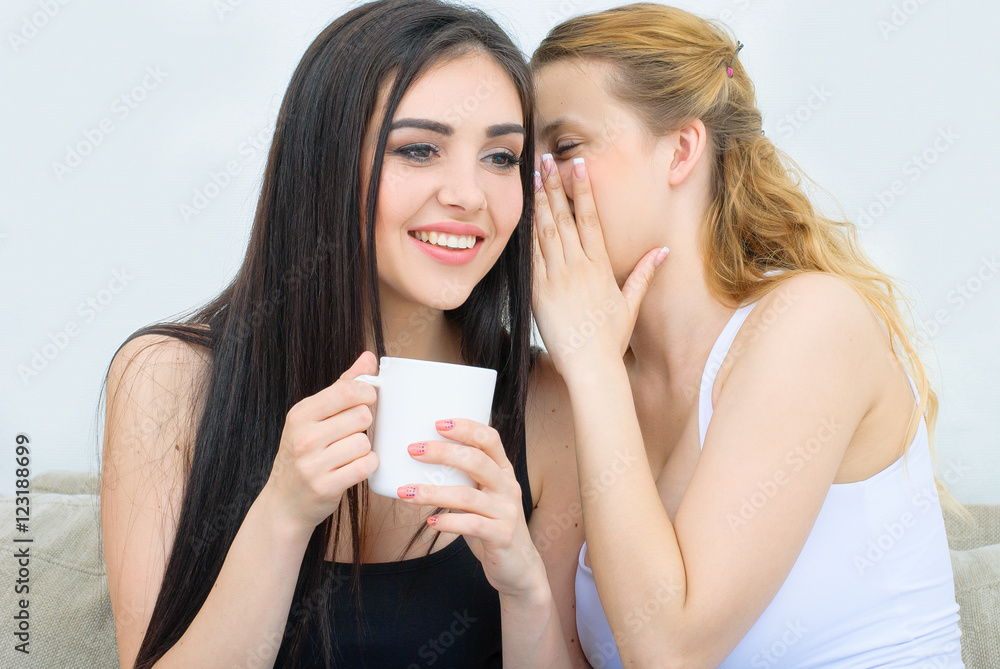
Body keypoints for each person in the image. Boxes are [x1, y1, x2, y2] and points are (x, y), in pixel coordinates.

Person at [99, 1, 586, 667]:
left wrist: (525, 589)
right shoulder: (166, 380)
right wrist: (282, 515)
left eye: (501, 156)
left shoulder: (548, 402)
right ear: (323, 163)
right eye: (419, 149)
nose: (470, 195)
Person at [529, 4, 964, 667]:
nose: (534, 182)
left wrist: (591, 365)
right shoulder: (581, 381)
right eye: (519, 156)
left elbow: (670, 651)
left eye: (564, 148)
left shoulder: (812, 323)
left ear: (681, 150)